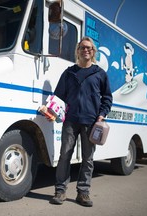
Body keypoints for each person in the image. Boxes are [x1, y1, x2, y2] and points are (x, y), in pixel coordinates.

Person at [49, 36, 113, 207]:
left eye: (89, 48)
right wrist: (51, 109)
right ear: (78, 51)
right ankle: (60, 191)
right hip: (70, 121)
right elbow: (58, 97)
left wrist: (102, 114)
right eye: (83, 47)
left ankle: (83, 193)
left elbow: (107, 97)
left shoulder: (100, 74)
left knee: (88, 159)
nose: (86, 50)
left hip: (91, 123)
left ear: (93, 52)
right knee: (64, 156)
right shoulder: (69, 72)